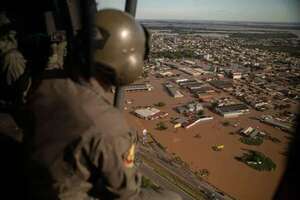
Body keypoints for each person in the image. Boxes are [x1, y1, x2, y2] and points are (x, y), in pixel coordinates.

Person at [23, 9, 181, 200]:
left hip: (35, 180)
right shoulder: (109, 126)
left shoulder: (47, 82)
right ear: (128, 61)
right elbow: (126, 195)